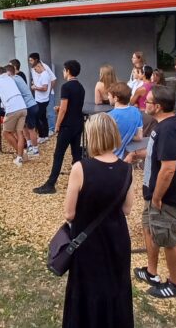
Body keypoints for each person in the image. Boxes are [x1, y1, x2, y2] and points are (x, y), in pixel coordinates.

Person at [61, 113, 135, 328]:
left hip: (88, 241)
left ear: (92, 136)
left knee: (87, 290)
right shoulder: (126, 169)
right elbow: (127, 209)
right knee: (116, 289)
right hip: (117, 239)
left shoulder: (80, 168)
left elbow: (69, 213)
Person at [134, 85, 176, 299]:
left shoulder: (168, 129)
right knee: (150, 229)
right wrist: (136, 155)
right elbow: (155, 155)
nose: (144, 103)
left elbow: (168, 169)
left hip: (167, 197)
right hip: (154, 194)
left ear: (158, 106)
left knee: (168, 238)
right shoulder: (163, 125)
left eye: (148, 101)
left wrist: (157, 197)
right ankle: (151, 272)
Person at [33, 60, 85, 194]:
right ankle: (83, 182)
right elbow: (73, 106)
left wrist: (57, 125)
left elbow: (64, 109)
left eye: (64, 70)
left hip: (67, 125)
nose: (63, 72)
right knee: (76, 154)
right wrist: (60, 108)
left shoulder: (66, 87)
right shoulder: (80, 87)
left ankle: (51, 183)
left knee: (59, 154)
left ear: (68, 71)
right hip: (78, 123)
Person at [0, 66, 28, 166]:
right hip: (23, 106)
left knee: (5, 133)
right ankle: (21, 156)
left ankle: (20, 155)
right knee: (19, 133)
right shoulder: (10, 78)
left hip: (12, 108)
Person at [9, 65, 40, 157]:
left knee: (31, 129)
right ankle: (30, 145)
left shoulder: (14, 80)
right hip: (27, 106)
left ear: (8, 73)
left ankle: (35, 150)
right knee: (24, 127)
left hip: (29, 106)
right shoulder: (17, 77)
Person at [106, 82, 143, 161]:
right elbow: (139, 137)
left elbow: (104, 141)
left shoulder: (108, 117)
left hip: (110, 158)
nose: (107, 97)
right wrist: (128, 135)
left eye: (109, 95)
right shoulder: (136, 111)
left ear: (116, 98)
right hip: (127, 157)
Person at [28, 52, 56, 142]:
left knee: (41, 115)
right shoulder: (34, 69)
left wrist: (47, 91)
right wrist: (34, 84)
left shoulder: (45, 70)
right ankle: (45, 134)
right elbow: (36, 80)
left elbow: (51, 81)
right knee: (43, 116)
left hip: (44, 97)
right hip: (38, 97)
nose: (35, 71)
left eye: (31, 60)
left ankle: (46, 133)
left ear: (37, 62)